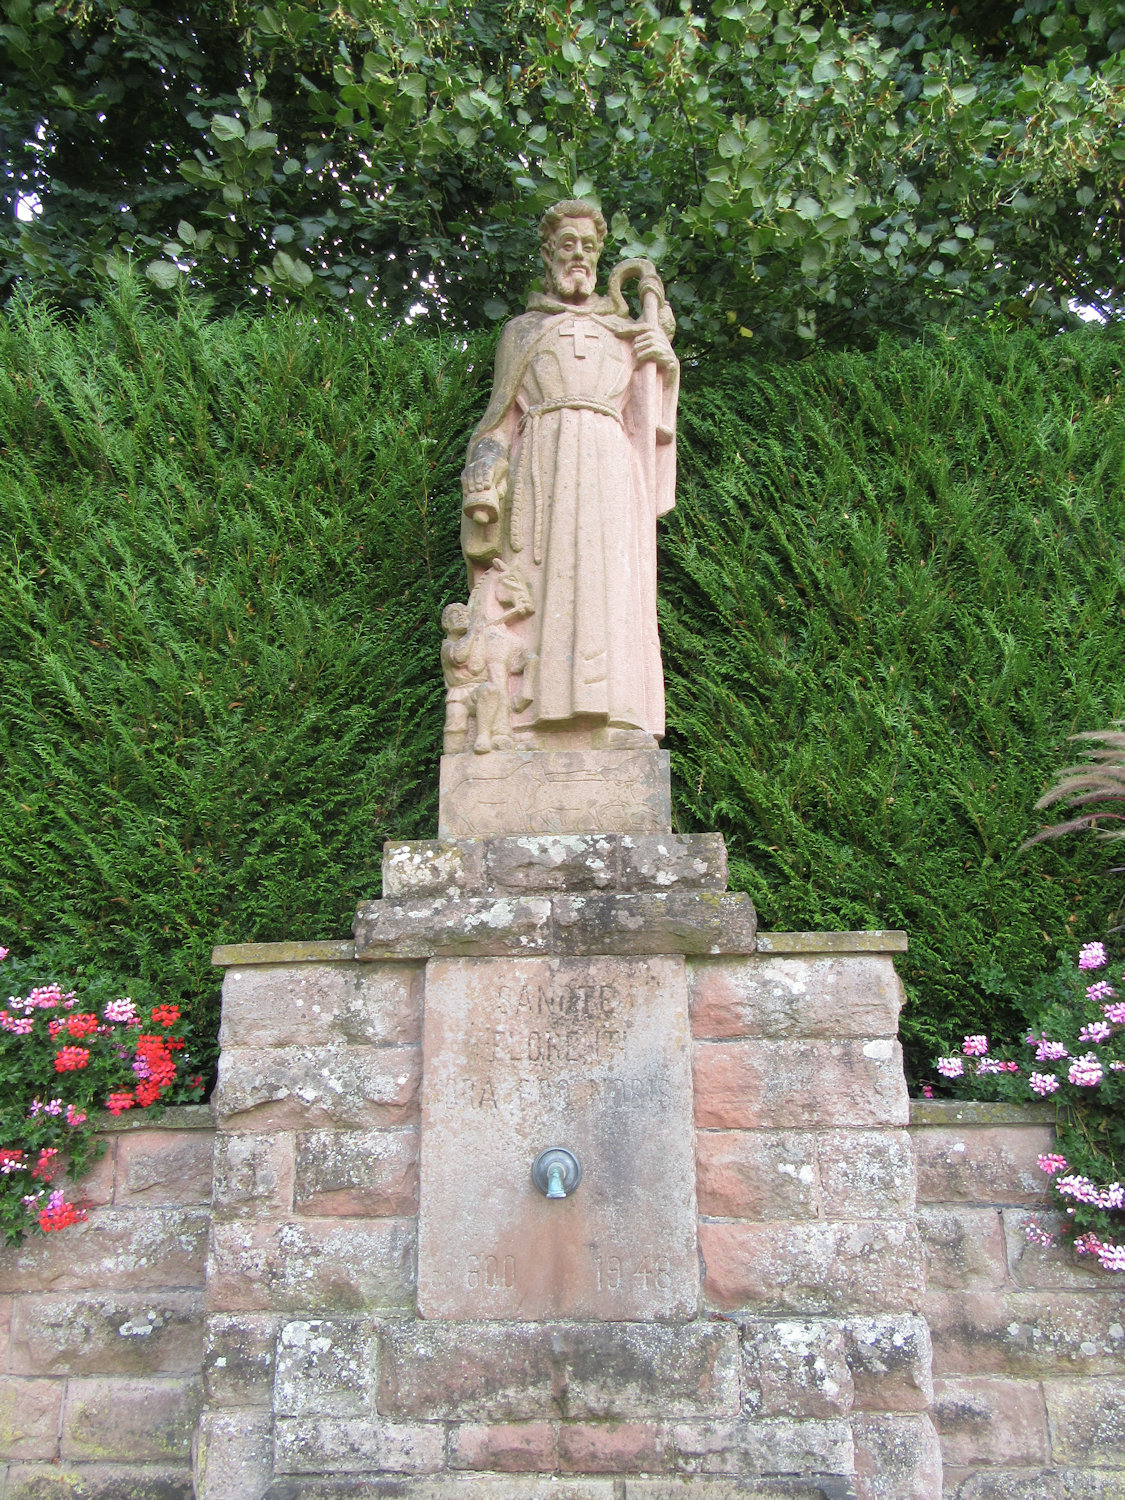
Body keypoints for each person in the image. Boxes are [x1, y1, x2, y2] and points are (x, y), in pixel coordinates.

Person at [456, 199, 679, 750]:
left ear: (599, 257)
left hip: (610, 473)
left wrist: (665, 364)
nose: (577, 255)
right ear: (549, 254)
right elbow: (498, 422)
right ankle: (531, 723)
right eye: (566, 245)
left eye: (587, 246)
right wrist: (484, 480)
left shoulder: (625, 334)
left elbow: (648, 423)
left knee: (614, 589)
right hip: (543, 475)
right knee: (541, 587)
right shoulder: (523, 331)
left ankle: (618, 720)